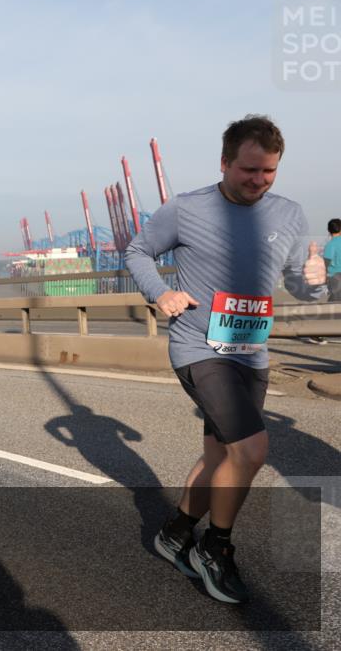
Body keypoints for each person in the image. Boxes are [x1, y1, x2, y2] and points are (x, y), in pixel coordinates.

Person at [126, 115, 328, 604]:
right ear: (224, 163)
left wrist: (315, 281)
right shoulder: (187, 208)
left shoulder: (289, 214)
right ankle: (214, 548)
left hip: (251, 353)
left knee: (222, 455)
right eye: (249, 170)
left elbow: (299, 284)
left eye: (269, 171)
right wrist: (161, 293)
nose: (259, 180)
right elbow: (137, 251)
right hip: (199, 347)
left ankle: (175, 533)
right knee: (252, 450)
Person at [325, 218, 341, 303]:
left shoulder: (330, 245)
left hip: (335, 277)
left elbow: (326, 263)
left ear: (329, 230)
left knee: (334, 301)